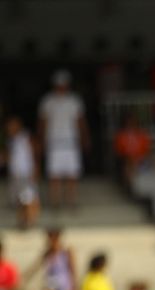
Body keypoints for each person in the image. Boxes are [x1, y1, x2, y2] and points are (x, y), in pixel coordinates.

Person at [37, 69, 90, 208]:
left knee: (72, 174)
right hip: (53, 142)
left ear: (68, 85)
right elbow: (42, 123)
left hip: (71, 142)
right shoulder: (47, 101)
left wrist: (85, 138)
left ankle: (71, 201)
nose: (61, 86)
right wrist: (41, 141)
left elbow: (81, 121)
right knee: (54, 174)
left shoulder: (74, 100)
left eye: (64, 84)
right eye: (59, 84)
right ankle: (55, 202)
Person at [4, 116, 39, 229]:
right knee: (20, 199)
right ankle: (22, 221)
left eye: (12, 125)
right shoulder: (11, 140)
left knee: (28, 198)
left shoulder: (26, 137)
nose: (10, 128)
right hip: (16, 175)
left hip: (26, 174)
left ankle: (30, 221)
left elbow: (35, 153)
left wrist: (36, 169)